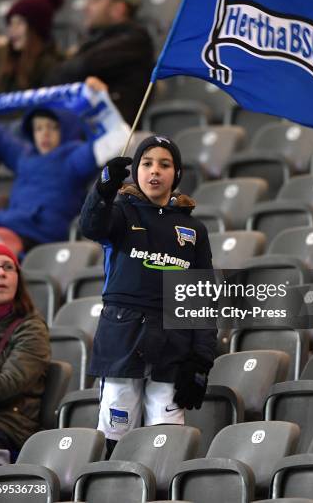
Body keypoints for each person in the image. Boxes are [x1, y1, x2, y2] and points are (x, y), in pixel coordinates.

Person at [80, 135, 217, 453]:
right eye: (147, 163)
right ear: (136, 170)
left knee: (165, 441)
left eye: (164, 164)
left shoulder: (194, 229)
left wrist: (201, 360)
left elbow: (200, 298)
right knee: (117, 432)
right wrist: (103, 189)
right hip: (121, 337)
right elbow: (91, 226)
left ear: (177, 174)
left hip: (173, 343)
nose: (155, 170)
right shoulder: (120, 214)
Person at [0, 77, 128, 254]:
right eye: (39, 128)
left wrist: (98, 100)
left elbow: (112, 139)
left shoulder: (73, 157)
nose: (45, 134)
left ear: (66, 128)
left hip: (39, 236)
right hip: (6, 230)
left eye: (52, 127)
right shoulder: (23, 155)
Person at [45, 0, 154, 126]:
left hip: (111, 135)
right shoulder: (103, 38)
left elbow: (79, 68)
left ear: (118, 8)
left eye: (95, 0)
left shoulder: (134, 40)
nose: (86, 7)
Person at [0, 243, 50, 458]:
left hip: (9, 423)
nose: (1, 273)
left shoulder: (31, 327)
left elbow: (8, 384)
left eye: (8, 267)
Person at [0, 0, 64, 94]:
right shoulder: (6, 60)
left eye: (19, 23)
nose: (12, 30)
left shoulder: (50, 67)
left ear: (36, 29)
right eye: (10, 24)